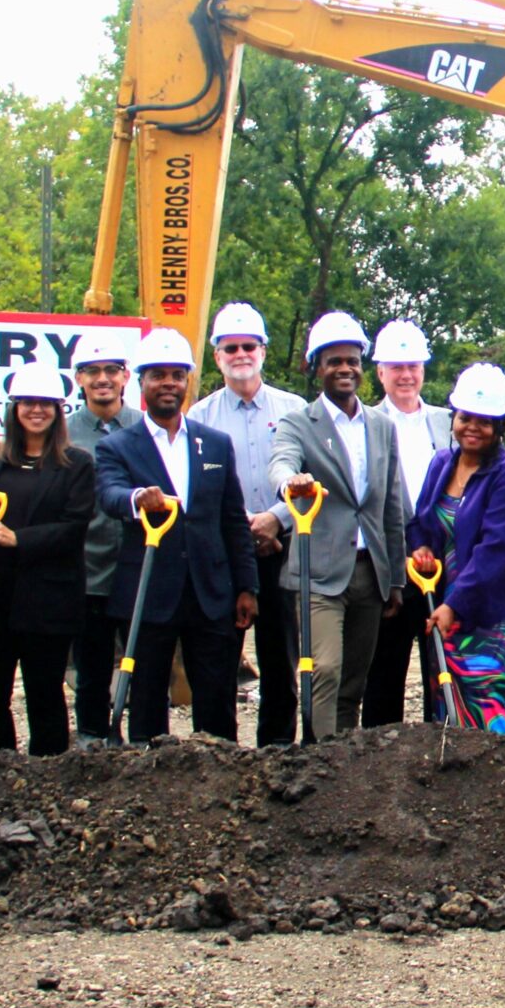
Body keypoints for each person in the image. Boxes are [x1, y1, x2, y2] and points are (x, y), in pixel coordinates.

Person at [90, 328, 258, 743]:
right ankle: (152, 773)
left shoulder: (214, 444)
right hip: (149, 589)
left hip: (210, 590)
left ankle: (220, 766)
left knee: (217, 690)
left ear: (187, 381)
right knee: (147, 690)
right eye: (158, 375)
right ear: (140, 382)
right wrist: (136, 498)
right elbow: (108, 494)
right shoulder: (119, 446)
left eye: (177, 375)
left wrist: (247, 587)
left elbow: (232, 520)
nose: (168, 383)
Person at [272, 312, 409, 739]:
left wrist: (396, 578)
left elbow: (389, 507)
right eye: (334, 361)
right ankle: (317, 755)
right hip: (320, 572)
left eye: (352, 360)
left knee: (353, 679)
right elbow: (281, 461)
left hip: (370, 572)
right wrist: (289, 483)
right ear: (317, 367)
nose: (345, 368)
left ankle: (341, 767)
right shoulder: (300, 422)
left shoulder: (381, 427)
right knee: (324, 669)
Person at [0, 366, 97, 754]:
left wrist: (17, 538)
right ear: (14, 408)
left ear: (59, 411)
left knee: (44, 691)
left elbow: (74, 527)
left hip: (47, 600)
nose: (37, 410)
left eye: (46, 404)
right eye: (29, 403)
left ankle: (47, 772)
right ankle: (1, 766)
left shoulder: (76, 464)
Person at [186, 302, 305, 747]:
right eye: (230, 347)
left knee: (280, 659)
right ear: (216, 356)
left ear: (263, 351)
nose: (240, 354)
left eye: (248, 345)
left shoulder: (295, 410)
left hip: (281, 550)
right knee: (217, 660)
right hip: (221, 556)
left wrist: (275, 519)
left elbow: (314, 481)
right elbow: (195, 491)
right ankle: (217, 749)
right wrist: (241, 531)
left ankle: (276, 748)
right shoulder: (199, 418)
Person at [404, 364, 505, 734]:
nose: (472, 427)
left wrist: (454, 605)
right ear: (453, 418)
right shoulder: (442, 463)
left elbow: (494, 550)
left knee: (493, 721)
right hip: (446, 613)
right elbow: (421, 521)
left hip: (493, 618)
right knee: (449, 715)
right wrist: (421, 549)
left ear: (500, 426)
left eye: (484, 421)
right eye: (465, 418)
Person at [362, 319, 453, 725]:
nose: (405, 375)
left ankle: (445, 745)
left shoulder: (448, 423)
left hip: (442, 564)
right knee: (385, 671)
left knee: (442, 668)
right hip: (390, 568)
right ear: (379, 372)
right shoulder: (363, 424)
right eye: (396, 367)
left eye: (413, 365)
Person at [65, 329, 142, 745]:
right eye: (92, 371)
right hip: (89, 568)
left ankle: (144, 739)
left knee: (141, 662)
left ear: (125, 375)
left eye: (111, 369)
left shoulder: (145, 427)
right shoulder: (65, 433)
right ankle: (92, 737)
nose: (102, 379)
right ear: (79, 378)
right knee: (91, 666)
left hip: (136, 566)